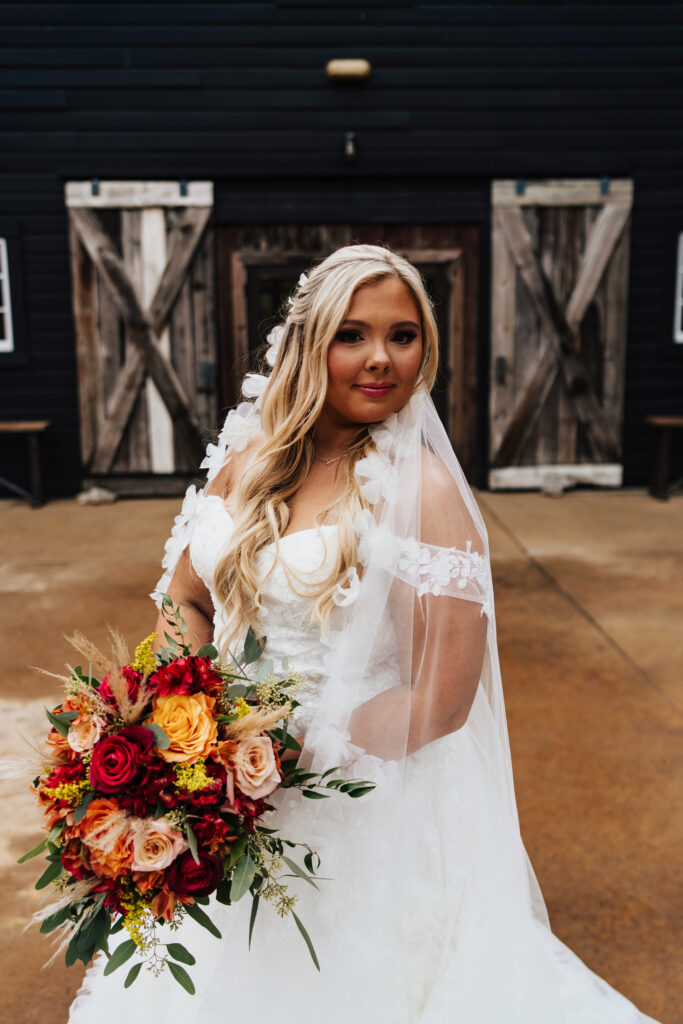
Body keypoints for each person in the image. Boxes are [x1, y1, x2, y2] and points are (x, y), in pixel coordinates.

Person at [68, 244, 661, 1023]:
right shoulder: (246, 460)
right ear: (311, 343)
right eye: (352, 334)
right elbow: (187, 597)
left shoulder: (424, 492)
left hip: (357, 802)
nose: (380, 358)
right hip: (221, 793)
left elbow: (441, 700)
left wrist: (277, 755)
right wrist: (179, 726)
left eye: (403, 335)